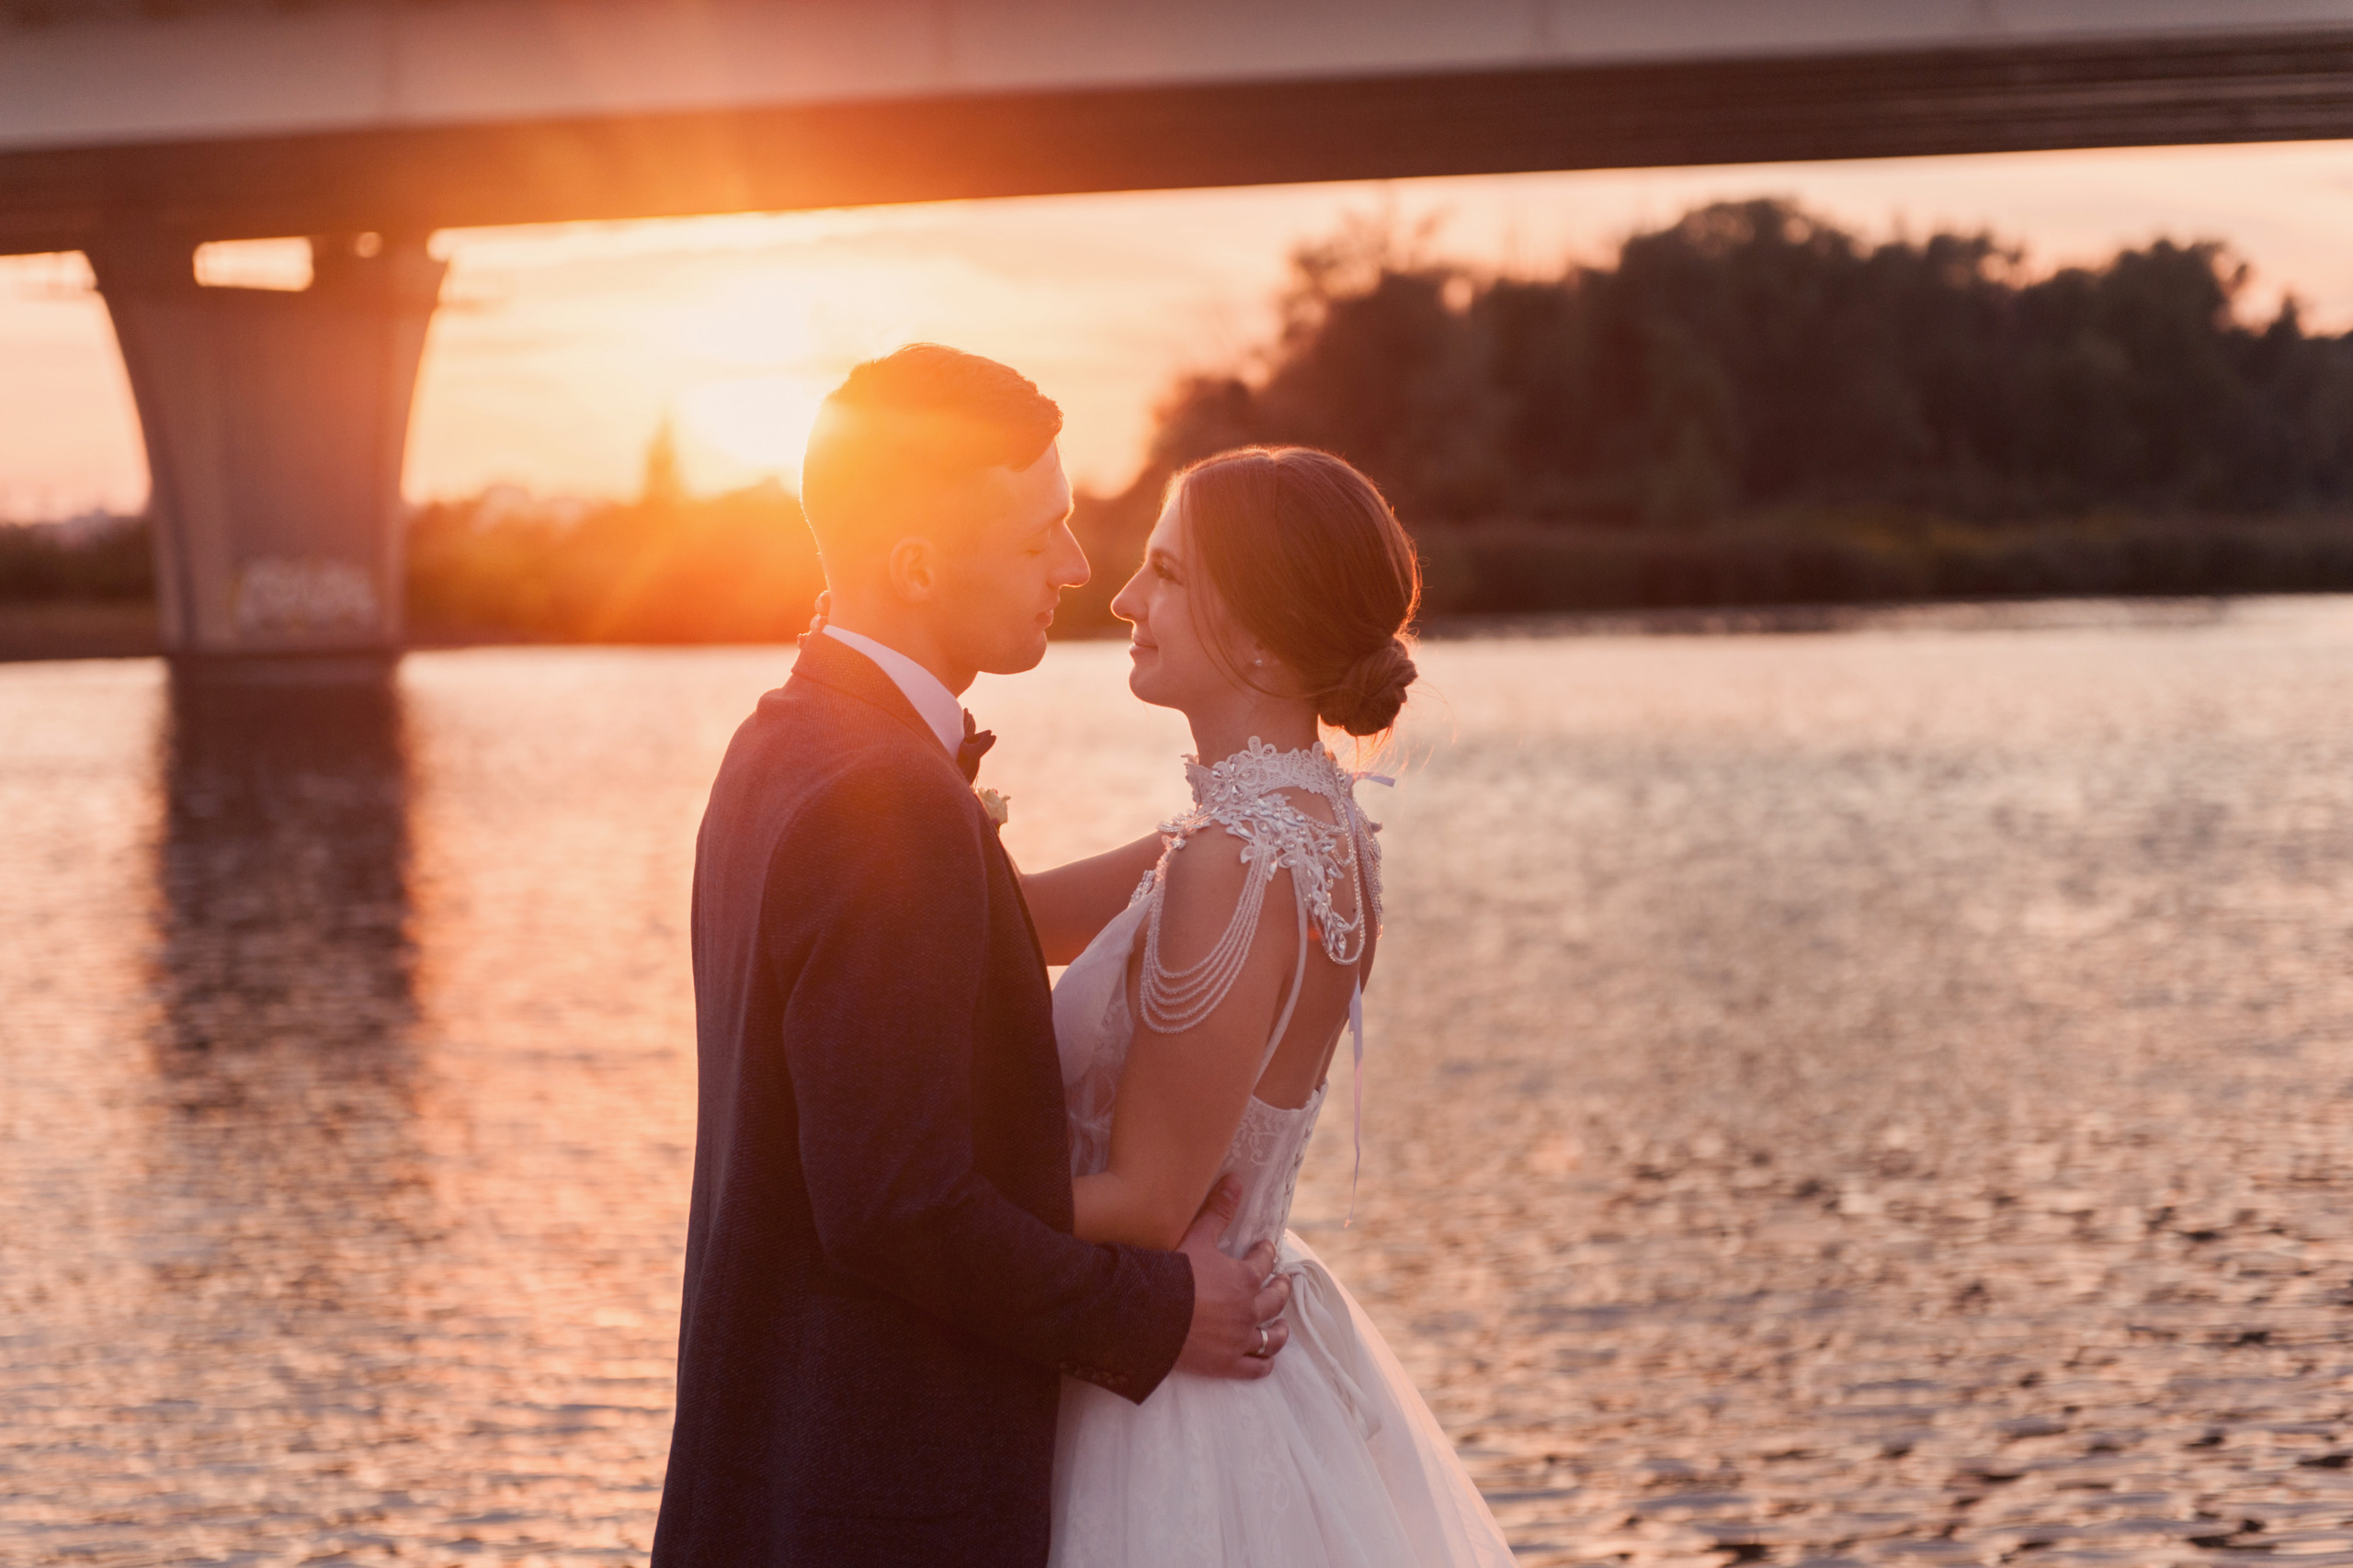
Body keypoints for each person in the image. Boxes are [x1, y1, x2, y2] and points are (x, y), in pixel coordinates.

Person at [650, 346, 1294, 1567]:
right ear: (919, 562)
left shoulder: (779, 746)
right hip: (876, 1505)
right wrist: (1160, 1309)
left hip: (768, 1477)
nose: (1073, 565)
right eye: (1039, 531)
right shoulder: (879, 801)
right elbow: (900, 1207)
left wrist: (1258, 824)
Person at [1019, 445, 1518, 1565]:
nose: (1123, 598)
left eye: (1164, 572)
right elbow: (1012, 918)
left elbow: (1150, 1204)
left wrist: (932, 1193)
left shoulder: (1233, 862)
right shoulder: (1314, 829)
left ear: (1253, 632)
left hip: (1162, 1410)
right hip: (1241, 1353)